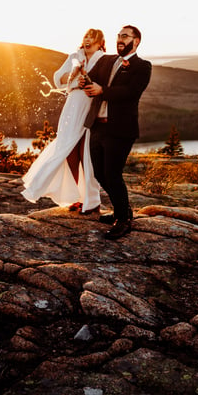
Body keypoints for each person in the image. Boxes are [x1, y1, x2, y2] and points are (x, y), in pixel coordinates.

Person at [21, 29, 105, 213]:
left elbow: (106, 84)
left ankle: (92, 201)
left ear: (100, 42)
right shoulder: (75, 56)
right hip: (73, 104)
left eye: (92, 38)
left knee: (87, 155)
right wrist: (74, 76)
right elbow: (58, 79)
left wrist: (90, 82)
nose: (87, 40)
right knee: (69, 151)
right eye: (86, 37)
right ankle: (77, 197)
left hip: (91, 107)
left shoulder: (103, 59)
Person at [82, 25, 152, 239]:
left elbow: (131, 92)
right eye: (118, 36)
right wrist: (84, 80)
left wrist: (102, 90)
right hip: (97, 126)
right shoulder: (106, 60)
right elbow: (91, 77)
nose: (120, 39)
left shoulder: (143, 66)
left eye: (125, 36)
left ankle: (123, 220)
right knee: (99, 173)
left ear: (136, 41)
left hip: (121, 129)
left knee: (113, 174)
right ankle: (123, 210)